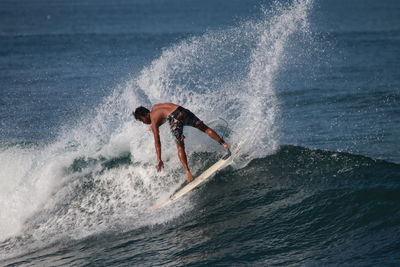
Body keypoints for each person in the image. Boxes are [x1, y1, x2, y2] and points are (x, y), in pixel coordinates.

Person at [133, 102, 230, 182]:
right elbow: (164, 115)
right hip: (182, 111)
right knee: (205, 128)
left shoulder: (154, 122)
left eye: (142, 120)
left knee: (180, 146)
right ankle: (224, 144)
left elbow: (157, 142)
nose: (144, 123)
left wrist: (159, 159)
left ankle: (188, 172)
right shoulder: (156, 107)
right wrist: (155, 125)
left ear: (145, 115)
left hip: (174, 118)